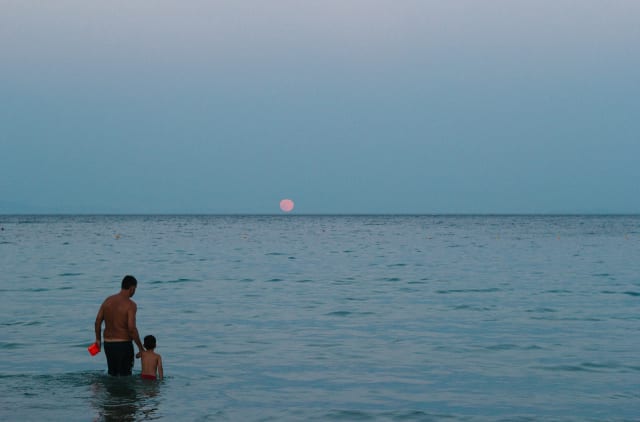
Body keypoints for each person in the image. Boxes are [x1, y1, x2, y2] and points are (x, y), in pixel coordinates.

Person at [94, 275, 145, 376]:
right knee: (125, 376)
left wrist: (98, 340)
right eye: (135, 289)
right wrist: (141, 348)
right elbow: (131, 329)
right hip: (123, 345)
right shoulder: (131, 305)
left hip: (108, 345)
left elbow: (97, 322)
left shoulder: (107, 300)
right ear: (132, 288)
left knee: (112, 374)